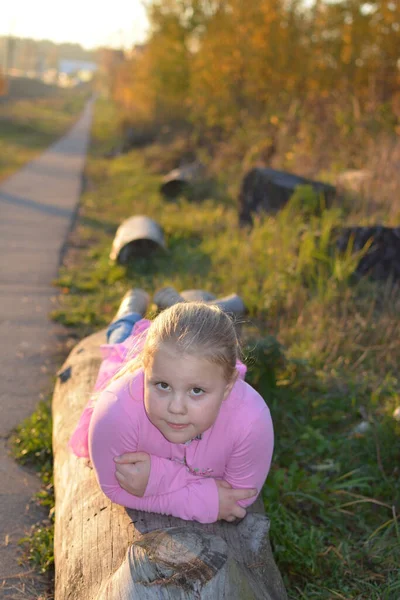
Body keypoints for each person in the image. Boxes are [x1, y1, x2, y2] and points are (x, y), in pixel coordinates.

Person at [69, 290, 274, 524]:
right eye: (163, 385)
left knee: (197, 348)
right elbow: (114, 488)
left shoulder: (251, 421)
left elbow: (238, 497)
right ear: (145, 370)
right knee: (120, 337)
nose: (176, 408)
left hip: (186, 358)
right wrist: (200, 500)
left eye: (196, 391)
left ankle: (183, 305)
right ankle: (129, 310)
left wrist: (157, 479)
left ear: (228, 388)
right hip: (129, 355)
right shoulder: (115, 412)